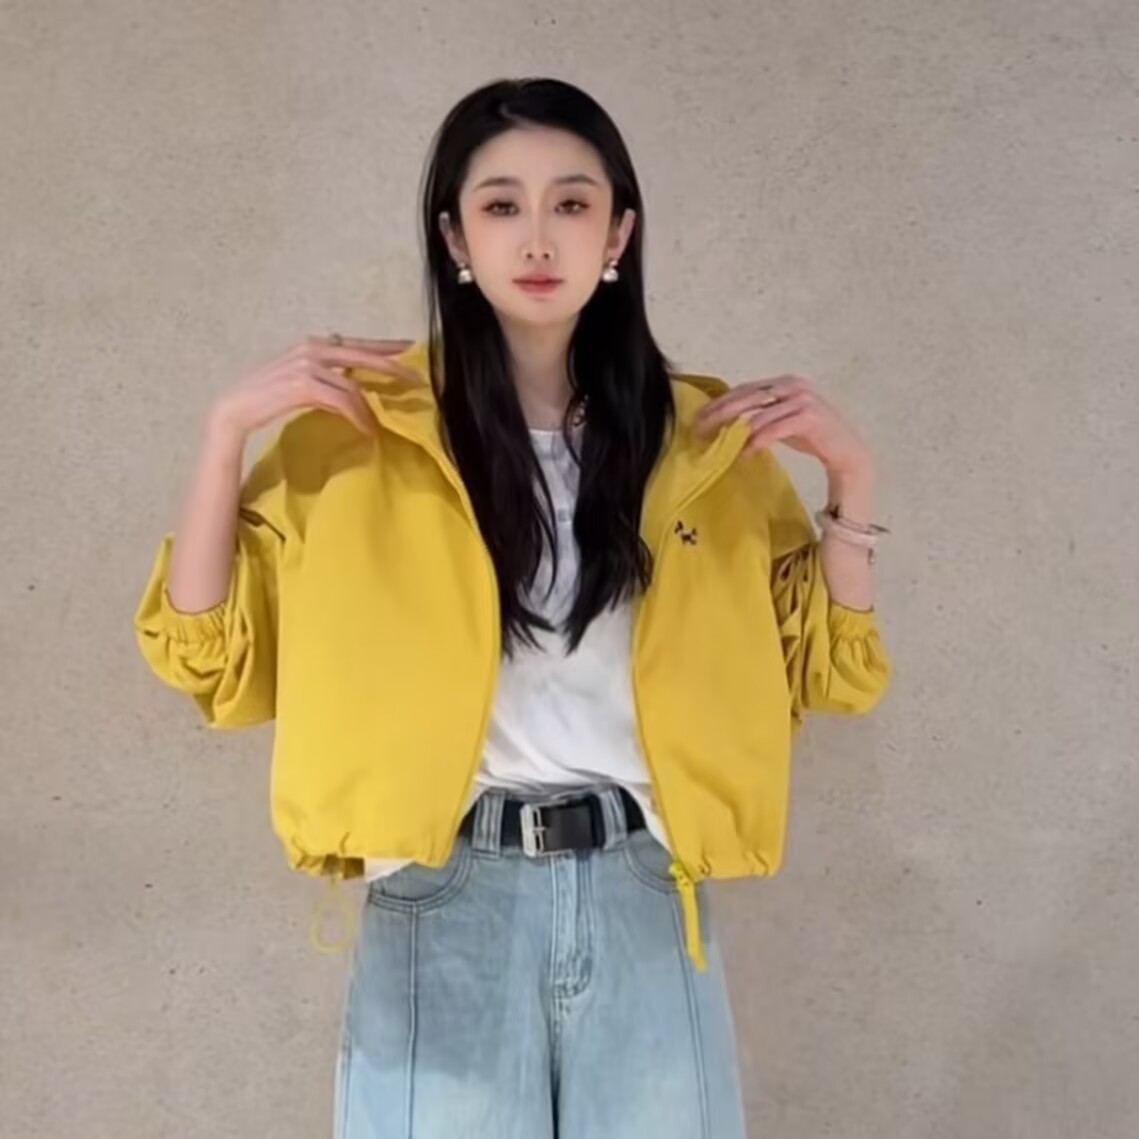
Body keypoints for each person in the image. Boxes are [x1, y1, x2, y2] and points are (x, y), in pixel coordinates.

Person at [133, 77, 892, 1139]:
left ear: (618, 233)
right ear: (454, 236)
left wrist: (850, 485)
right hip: (443, 893)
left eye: (572, 203)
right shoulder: (356, 434)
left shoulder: (705, 442)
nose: (537, 236)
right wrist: (224, 436)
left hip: (645, 891)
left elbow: (825, 673)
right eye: (500, 205)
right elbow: (206, 655)